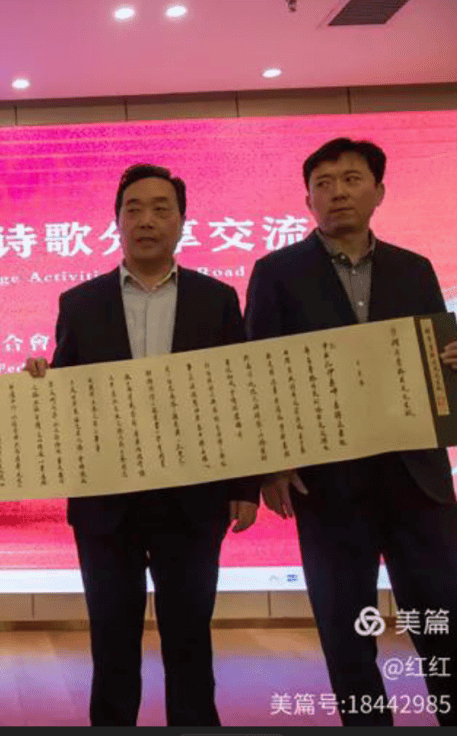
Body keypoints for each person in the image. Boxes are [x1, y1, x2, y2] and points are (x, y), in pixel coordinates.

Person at [25, 164, 259, 726]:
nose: (146, 220)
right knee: (111, 640)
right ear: (117, 221)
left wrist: (245, 486)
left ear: (182, 221)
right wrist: (41, 385)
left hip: (193, 498)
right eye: (133, 209)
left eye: (160, 208)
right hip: (107, 502)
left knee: (189, 637)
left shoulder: (216, 299)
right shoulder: (80, 303)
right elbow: (69, 398)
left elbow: (239, 394)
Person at [245, 137, 457, 726]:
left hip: (417, 478)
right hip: (328, 482)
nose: (338, 192)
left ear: (378, 191)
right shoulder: (276, 273)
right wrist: (271, 465)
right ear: (308, 200)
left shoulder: (414, 268)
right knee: (346, 630)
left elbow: (433, 360)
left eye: (352, 179)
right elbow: (259, 372)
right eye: (324, 183)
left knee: (443, 617)